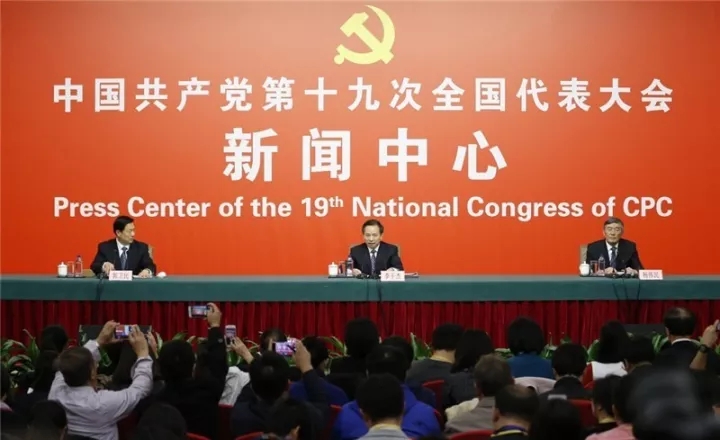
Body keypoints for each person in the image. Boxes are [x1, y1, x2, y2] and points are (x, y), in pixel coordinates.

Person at [90, 216, 156, 277]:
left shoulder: (141, 248)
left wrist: (147, 271)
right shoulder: (105, 247)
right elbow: (95, 266)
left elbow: (150, 266)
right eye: (129, 231)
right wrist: (104, 265)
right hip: (111, 284)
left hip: (134, 284)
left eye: (133, 230)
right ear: (118, 233)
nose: (133, 234)